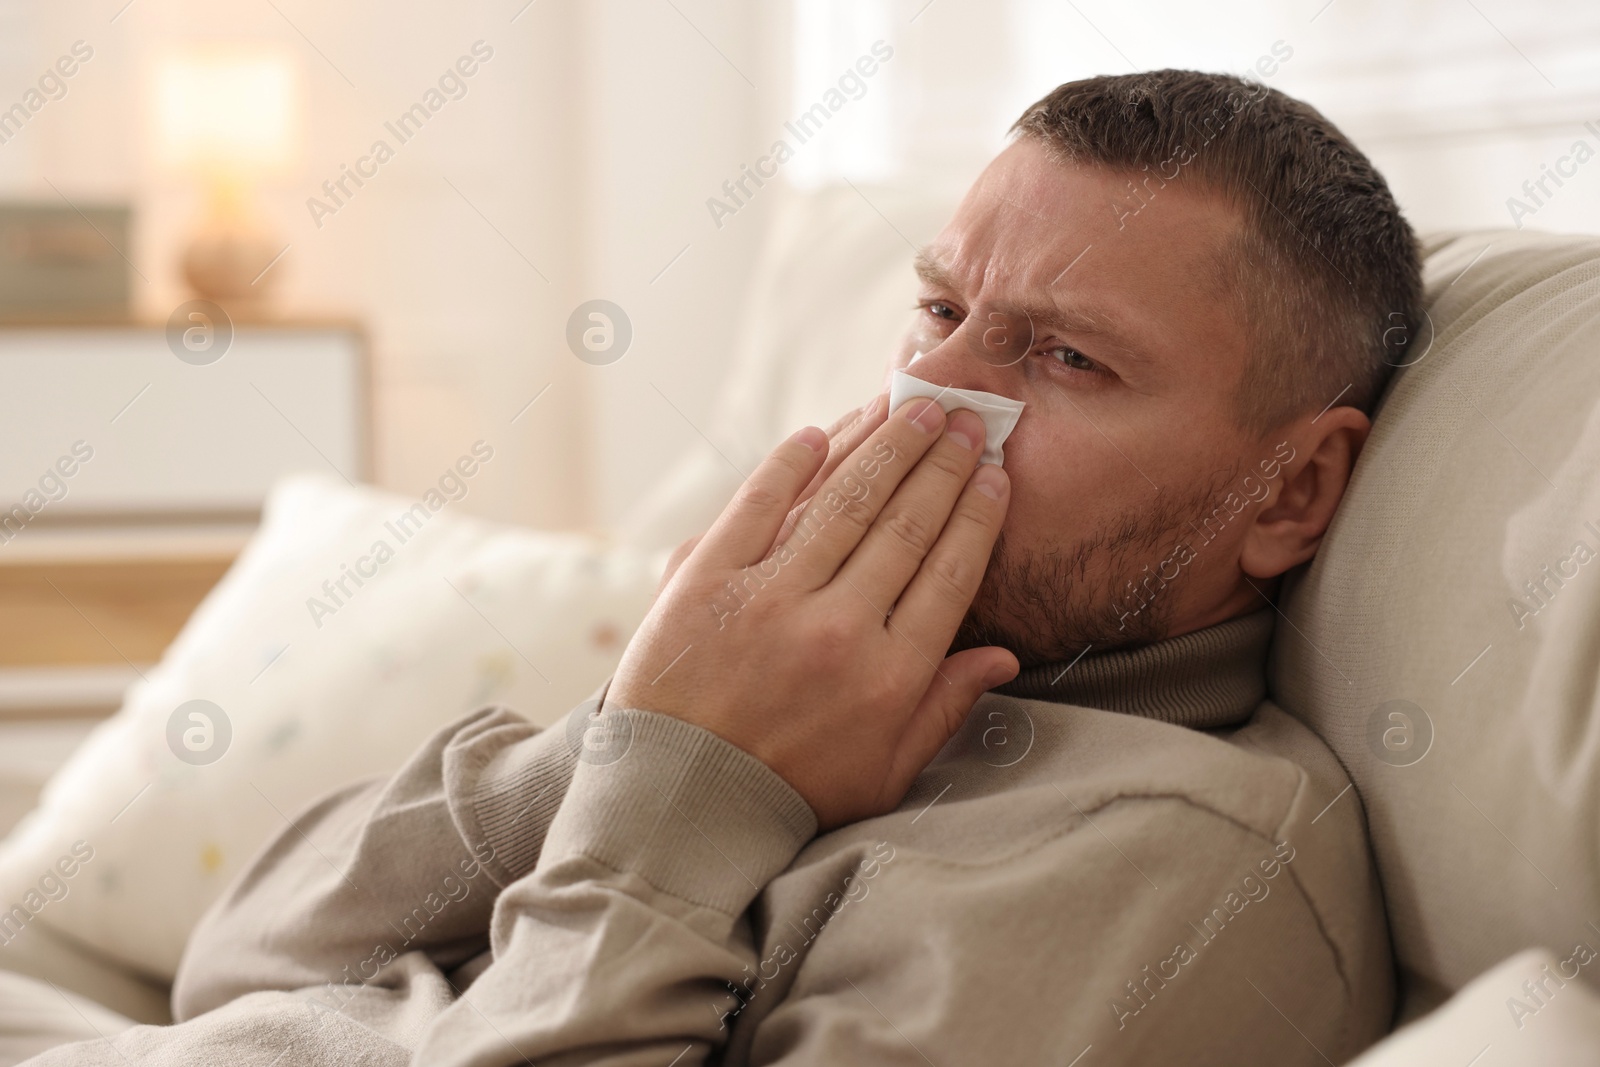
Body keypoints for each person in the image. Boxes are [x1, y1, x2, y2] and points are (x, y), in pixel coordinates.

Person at [25, 68, 1419, 1066]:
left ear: (1290, 491)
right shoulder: (791, 682)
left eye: (1065, 356)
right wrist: (640, 731)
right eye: (938, 309)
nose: (926, 393)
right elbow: (240, 960)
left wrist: (694, 787)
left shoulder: (1176, 866)